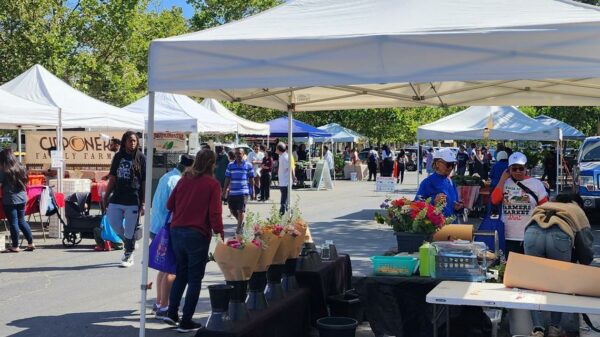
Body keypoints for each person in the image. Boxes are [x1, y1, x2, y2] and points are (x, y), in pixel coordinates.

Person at [163, 149, 224, 332]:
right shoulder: (212, 184)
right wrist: (219, 232)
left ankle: (172, 313)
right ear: (212, 164)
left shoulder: (184, 179)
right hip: (196, 234)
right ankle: (186, 320)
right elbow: (215, 213)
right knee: (195, 278)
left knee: (181, 273)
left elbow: (169, 205)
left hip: (177, 231)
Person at [525, 193, 594, 337]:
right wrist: (584, 262)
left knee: (534, 283)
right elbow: (586, 244)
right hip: (559, 235)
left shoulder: (545, 205)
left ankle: (538, 329)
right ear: (577, 203)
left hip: (532, 233)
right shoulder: (576, 210)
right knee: (559, 284)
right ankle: (554, 327)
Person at [149, 154, 194, 319]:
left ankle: (160, 302)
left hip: (157, 226)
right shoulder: (177, 181)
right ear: (189, 167)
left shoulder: (166, 176)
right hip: (167, 227)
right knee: (171, 269)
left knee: (163, 267)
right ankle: (164, 306)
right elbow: (177, 207)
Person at [491, 152, 548, 257]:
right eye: (514, 169)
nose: (518, 171)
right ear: (509, 169)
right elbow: (494, 200)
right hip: (509, 235)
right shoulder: (505, 183)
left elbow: (545, 207)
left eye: (521, 168)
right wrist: (503, 179)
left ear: (526, 167)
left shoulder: (536, 184)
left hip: (531, 235)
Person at [103, 131, 146, 268]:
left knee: (129, 230)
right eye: (130, 140)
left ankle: (128, 254)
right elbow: (113, 178)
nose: (132, 143)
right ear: (125, 141)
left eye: (134, 141)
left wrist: (143, 202)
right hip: (117, 197)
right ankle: (130, 242)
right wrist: (105, 196)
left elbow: (144, 181)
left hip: (133, 199)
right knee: (114, 223)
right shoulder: (118, 157)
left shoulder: (141, 158)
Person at [0, 149, 34, 253]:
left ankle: (15, 246)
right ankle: (31, 243)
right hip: (22, 197)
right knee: (21, 220)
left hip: (10, 199)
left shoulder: (3, 170)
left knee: (13, 222)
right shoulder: (21, 167)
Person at [416, 148, 463, 219]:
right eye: (448, 164)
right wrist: (433, 202)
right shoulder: (428, 182)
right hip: (436, 227)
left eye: (453, 165)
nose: (450, 168)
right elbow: (416, 205)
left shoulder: (451, 182)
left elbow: (454, 204)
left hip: (452, 225)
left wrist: (458, 207)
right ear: (437, 163)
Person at [223, 148, 254, 234]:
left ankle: (238, 228)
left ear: (243, 154)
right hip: (233, 192)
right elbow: (227, 178)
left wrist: (252, 191)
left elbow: (251, 178)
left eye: (239, 154)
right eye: (236, 154)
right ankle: (241, 222)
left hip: (243, 192)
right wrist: (224, 189)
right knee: (232, 209)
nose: (238, 155)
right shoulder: (230, 165)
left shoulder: (248, 165)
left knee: (241, 210)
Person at [276, 142, 293, 215]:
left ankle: (281, 216)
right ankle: (289, 215)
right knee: (285, 201)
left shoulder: (285, 157)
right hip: (283, 181)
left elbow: (290, 168)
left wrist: (293, 176)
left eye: (276, 148)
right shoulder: (282, 156)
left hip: (286, 182)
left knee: (284, 201)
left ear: (278, 149)